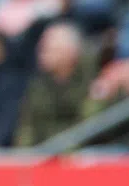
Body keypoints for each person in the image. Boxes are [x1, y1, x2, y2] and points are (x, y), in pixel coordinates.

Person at [15, 19, 93, 147]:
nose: (41, 54)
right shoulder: (38, 84)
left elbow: (92, 124)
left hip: (81, 154)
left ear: (70, 51)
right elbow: (27, 127)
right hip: (43, 155)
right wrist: (24, 156)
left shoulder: (92, 78)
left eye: (48, 49)